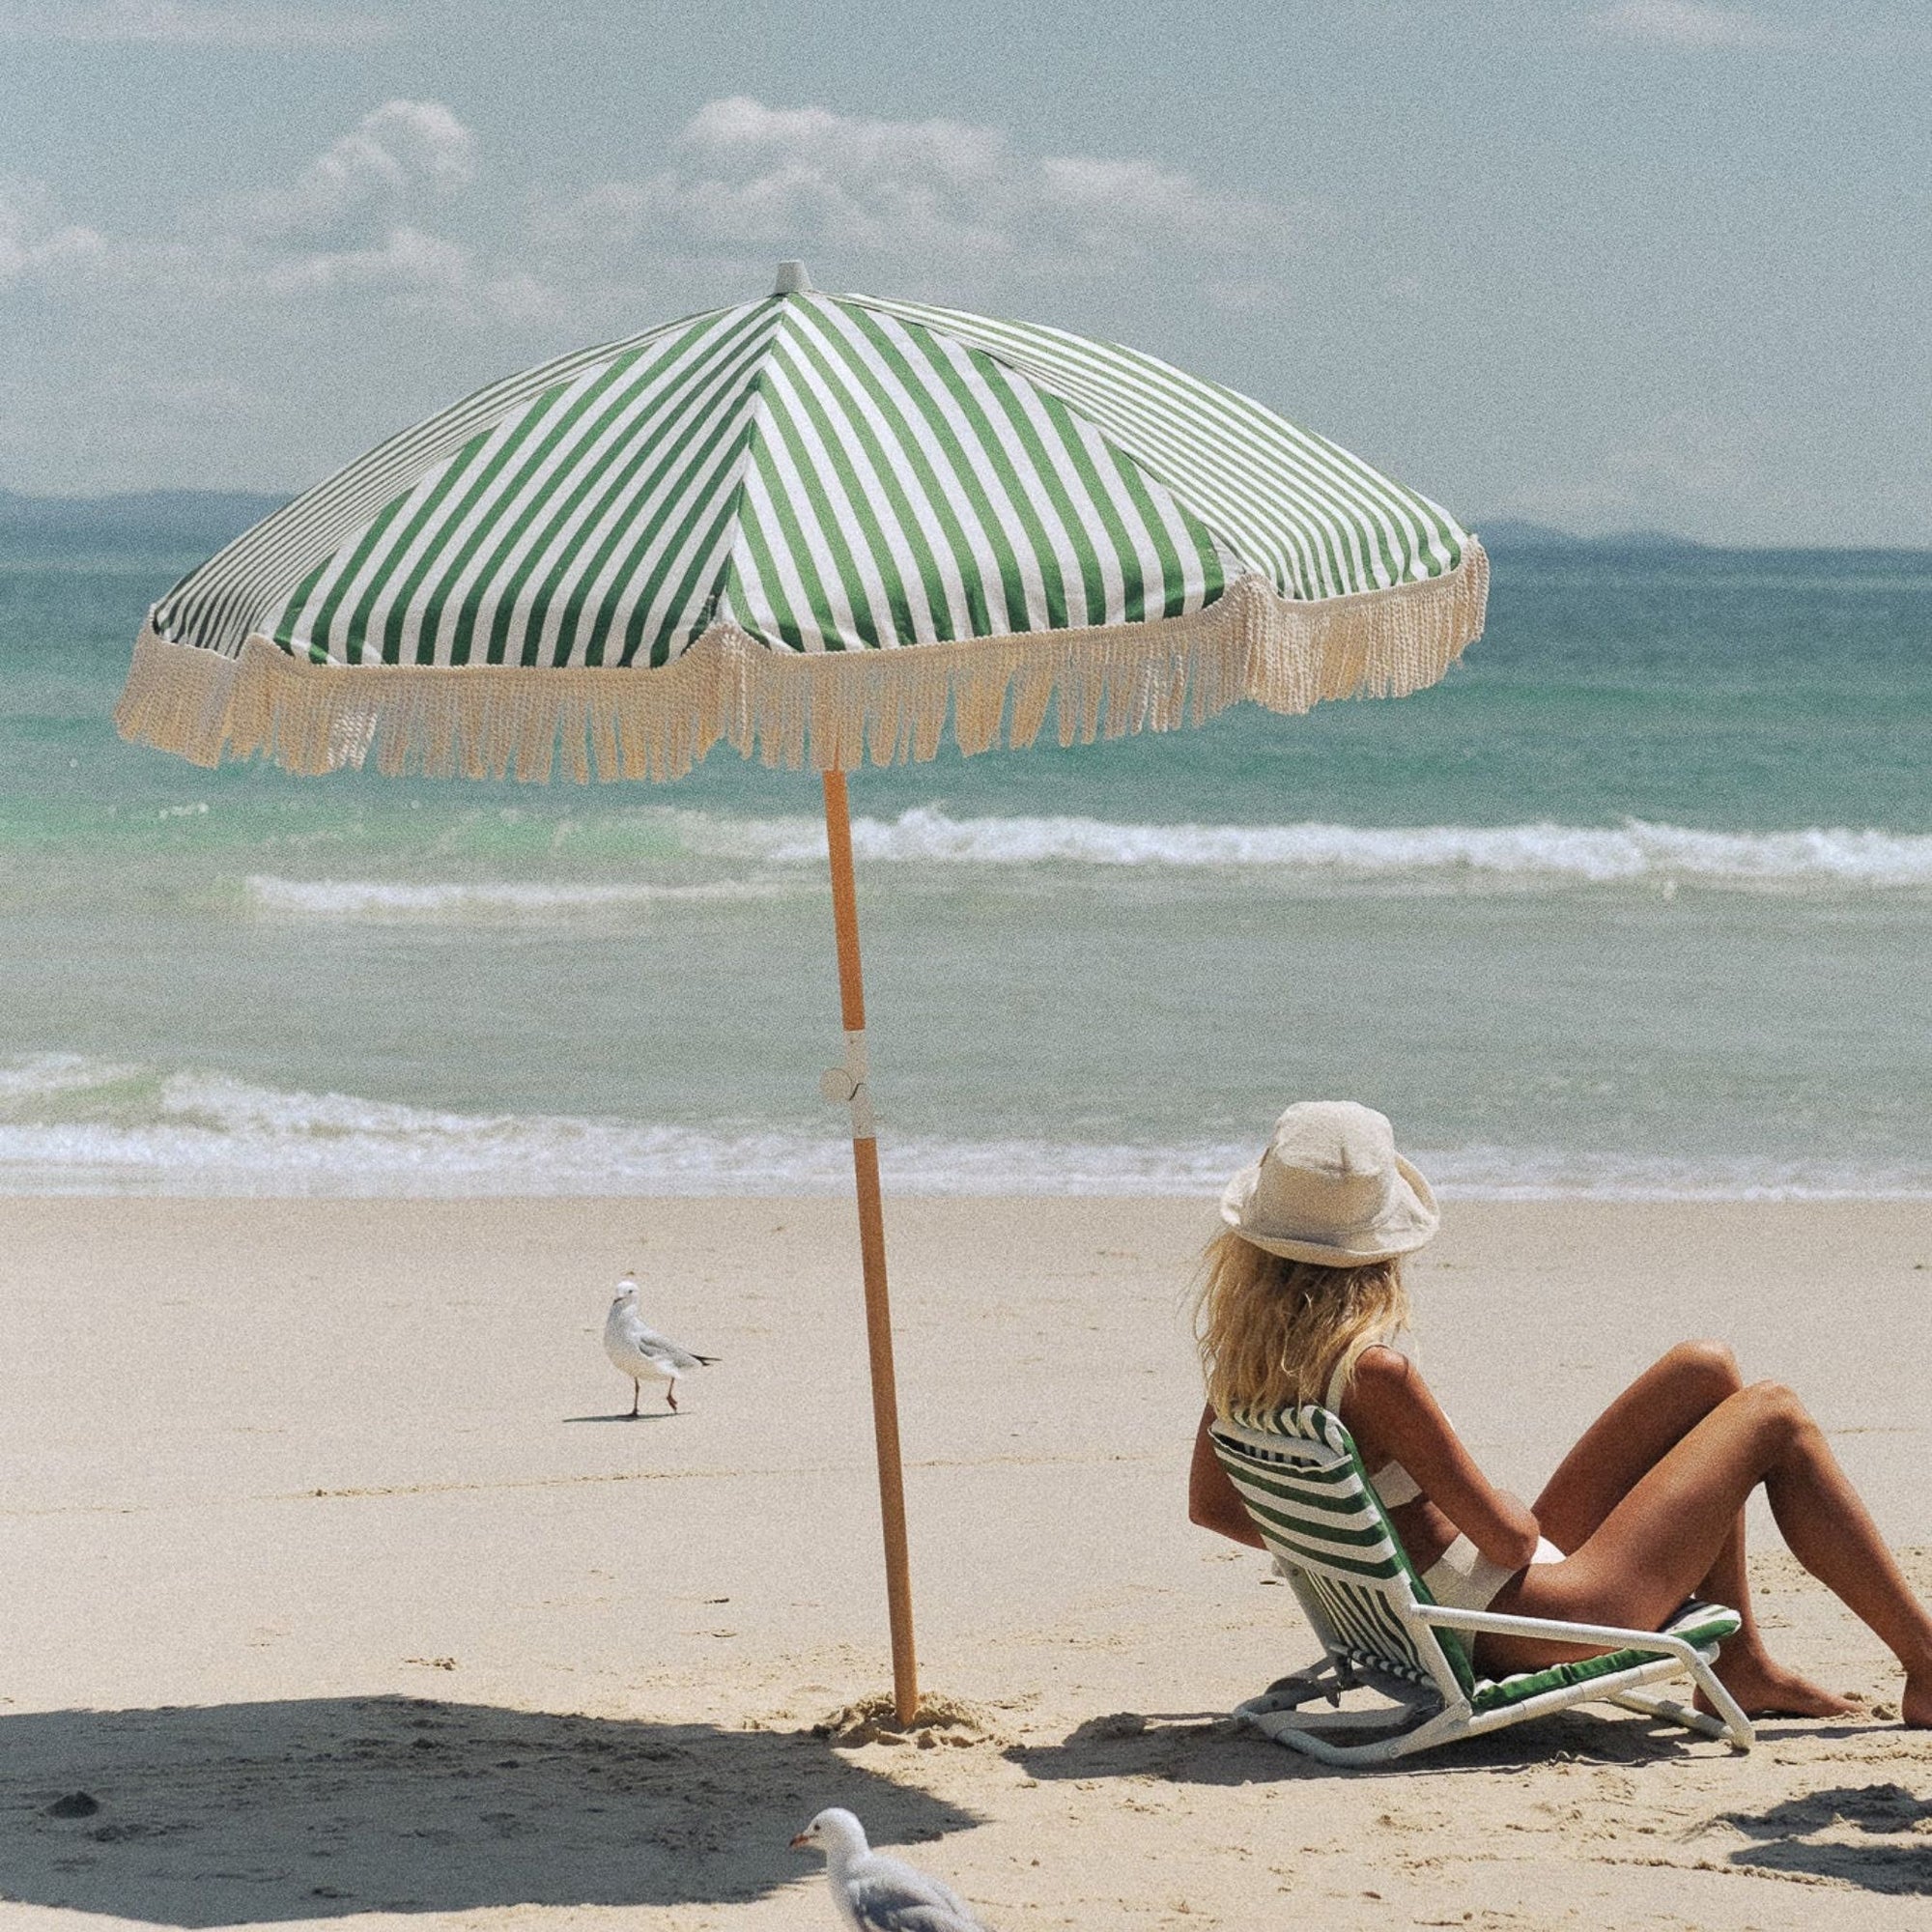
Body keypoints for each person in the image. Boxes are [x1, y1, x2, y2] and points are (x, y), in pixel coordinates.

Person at [1187, 1099, 1932, 1725]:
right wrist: (1450, 1539)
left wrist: (1354, 1555)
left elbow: (1211, 1507)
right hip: (1523, 1623)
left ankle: (1745, 1667)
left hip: (1453, 1600)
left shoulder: (1248, 1366)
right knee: (1773, 1415)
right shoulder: (1375, 1373)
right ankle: (1928, 1666)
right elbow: (1511, 1542)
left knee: (1704, 1372)